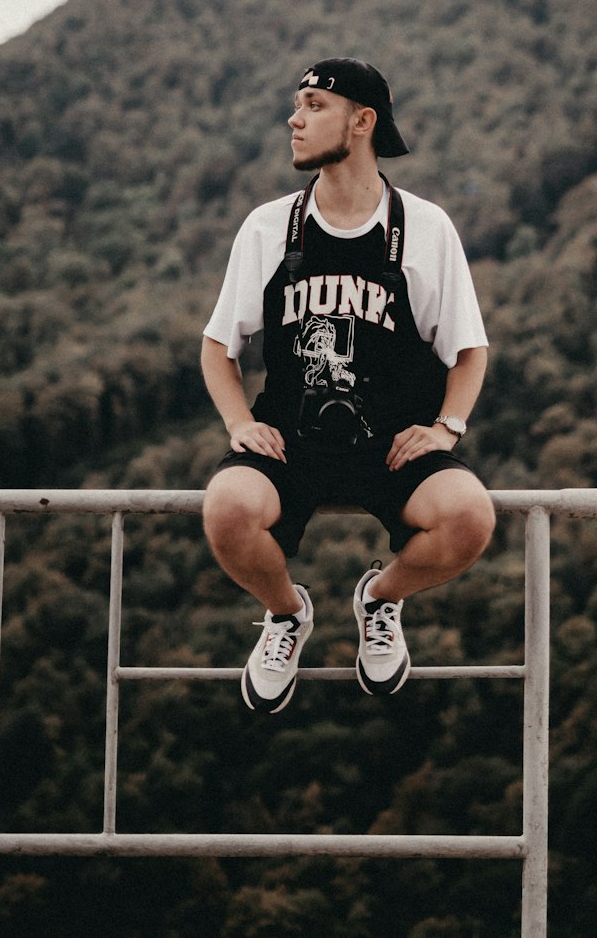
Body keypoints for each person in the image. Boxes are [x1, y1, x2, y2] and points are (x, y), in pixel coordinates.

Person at [201, 58, 495, 713]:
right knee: (225, 510)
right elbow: (219, 347)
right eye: (296, 103)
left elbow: (469, 350)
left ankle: (381, 600)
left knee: (471, 518)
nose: (293, 118)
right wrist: (237, 425)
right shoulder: (269, 227)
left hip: (393, 445)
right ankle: (285, 614)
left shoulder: (422, 227)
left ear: (362, 122)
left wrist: (446, 427)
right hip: (290, 443)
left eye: (312, 104)